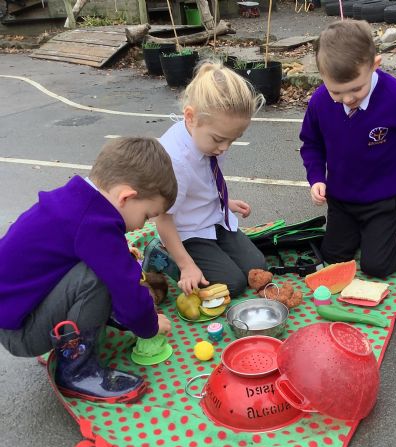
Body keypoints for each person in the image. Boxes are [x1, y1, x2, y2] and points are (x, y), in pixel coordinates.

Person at [0, 137, 177, 403]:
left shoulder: (78, 201)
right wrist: (149, 326)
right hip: (22, 333)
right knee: (98, 276)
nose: (142, 226)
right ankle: (78, 372)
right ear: (126, 197)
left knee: (104, 264)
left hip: (20, 311)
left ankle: (93, 326)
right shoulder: (94, 225)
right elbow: (127, 287)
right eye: (146, 216)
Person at [300, 20, 396, 278]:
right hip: (342, 199)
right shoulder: (319, 101)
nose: (348, 99)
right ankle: (368, 235)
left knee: (376, 265)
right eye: (337, 91)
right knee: (334, 258)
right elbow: (312, 143)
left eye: (356, 89)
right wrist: (316, 178)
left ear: (375, 64)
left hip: (388, 199)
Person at [155, 60, 267, 297]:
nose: (224, 147)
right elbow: (163, 220)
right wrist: (187, 266)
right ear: (190, 117)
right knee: (232, 284)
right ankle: (166, 256)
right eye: (219, 139)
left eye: (232, 140)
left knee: (256, 268)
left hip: (213, 219)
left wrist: (225, 202)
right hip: (185, 231)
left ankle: (210, 252)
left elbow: (204, 181)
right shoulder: (175, 161)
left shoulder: (210, 138)